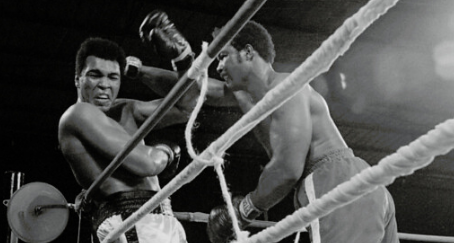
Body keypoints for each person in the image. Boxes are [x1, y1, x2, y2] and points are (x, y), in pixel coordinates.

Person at [205, 21, 400, 243]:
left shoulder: (285, 88)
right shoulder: (251, 96)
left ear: (248, 52)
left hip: (334, 182)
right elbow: (193, 92)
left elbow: (287, 169)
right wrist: (180, 59)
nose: (218, 66)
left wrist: (243, 210)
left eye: (223, 56)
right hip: (362, 185)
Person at [57, 37, 189, 243]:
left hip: (157, 218)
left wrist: (162, 66)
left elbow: (186, 107)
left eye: (113, 77)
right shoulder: (78, 114)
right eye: (95, 75)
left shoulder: (125, 110)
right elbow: (147, 164)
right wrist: (167, 151)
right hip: (131, 219)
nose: (104, 85)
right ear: (77, 79)